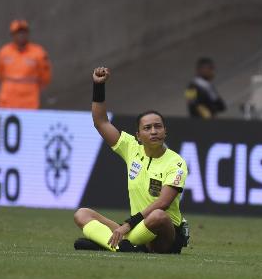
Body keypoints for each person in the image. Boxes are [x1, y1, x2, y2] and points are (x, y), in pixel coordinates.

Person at [73, 66, 189, 254]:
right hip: (136, 230)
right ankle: (124, 246)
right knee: (82, 214)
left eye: (158, 127)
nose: (153, 131)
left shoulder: (176, 163)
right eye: (148, 128)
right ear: (138, 135)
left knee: (158, 216)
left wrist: (127, 225)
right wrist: (98, 86)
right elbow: (100, 121)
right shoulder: (131, 148)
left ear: (165, 132)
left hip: (164, 233)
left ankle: (112, 244)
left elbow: (163, 203)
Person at [0, 19, 52, 109]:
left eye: (23, 32)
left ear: (28, 34)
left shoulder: (38, 52)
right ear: (12, 35)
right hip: (7, 102)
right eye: (18, 33)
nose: (21, 35)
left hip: (29, 103)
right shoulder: (4, 52)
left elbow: (45, 77)